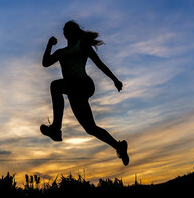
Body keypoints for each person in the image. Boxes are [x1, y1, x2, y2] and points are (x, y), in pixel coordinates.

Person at [40, 20, 129, 166]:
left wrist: (115, 79)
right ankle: (118, 146)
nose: (64, 32)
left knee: (55, 85)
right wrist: (49, 44)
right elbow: (45, 63)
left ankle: (56, 129)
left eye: (66, 29)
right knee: (90, 128)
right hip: (73, 93)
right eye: (63, 30)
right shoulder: (60, 52)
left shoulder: (82, 45)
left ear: (73, 32)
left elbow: (99, 63)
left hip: (84, 84)